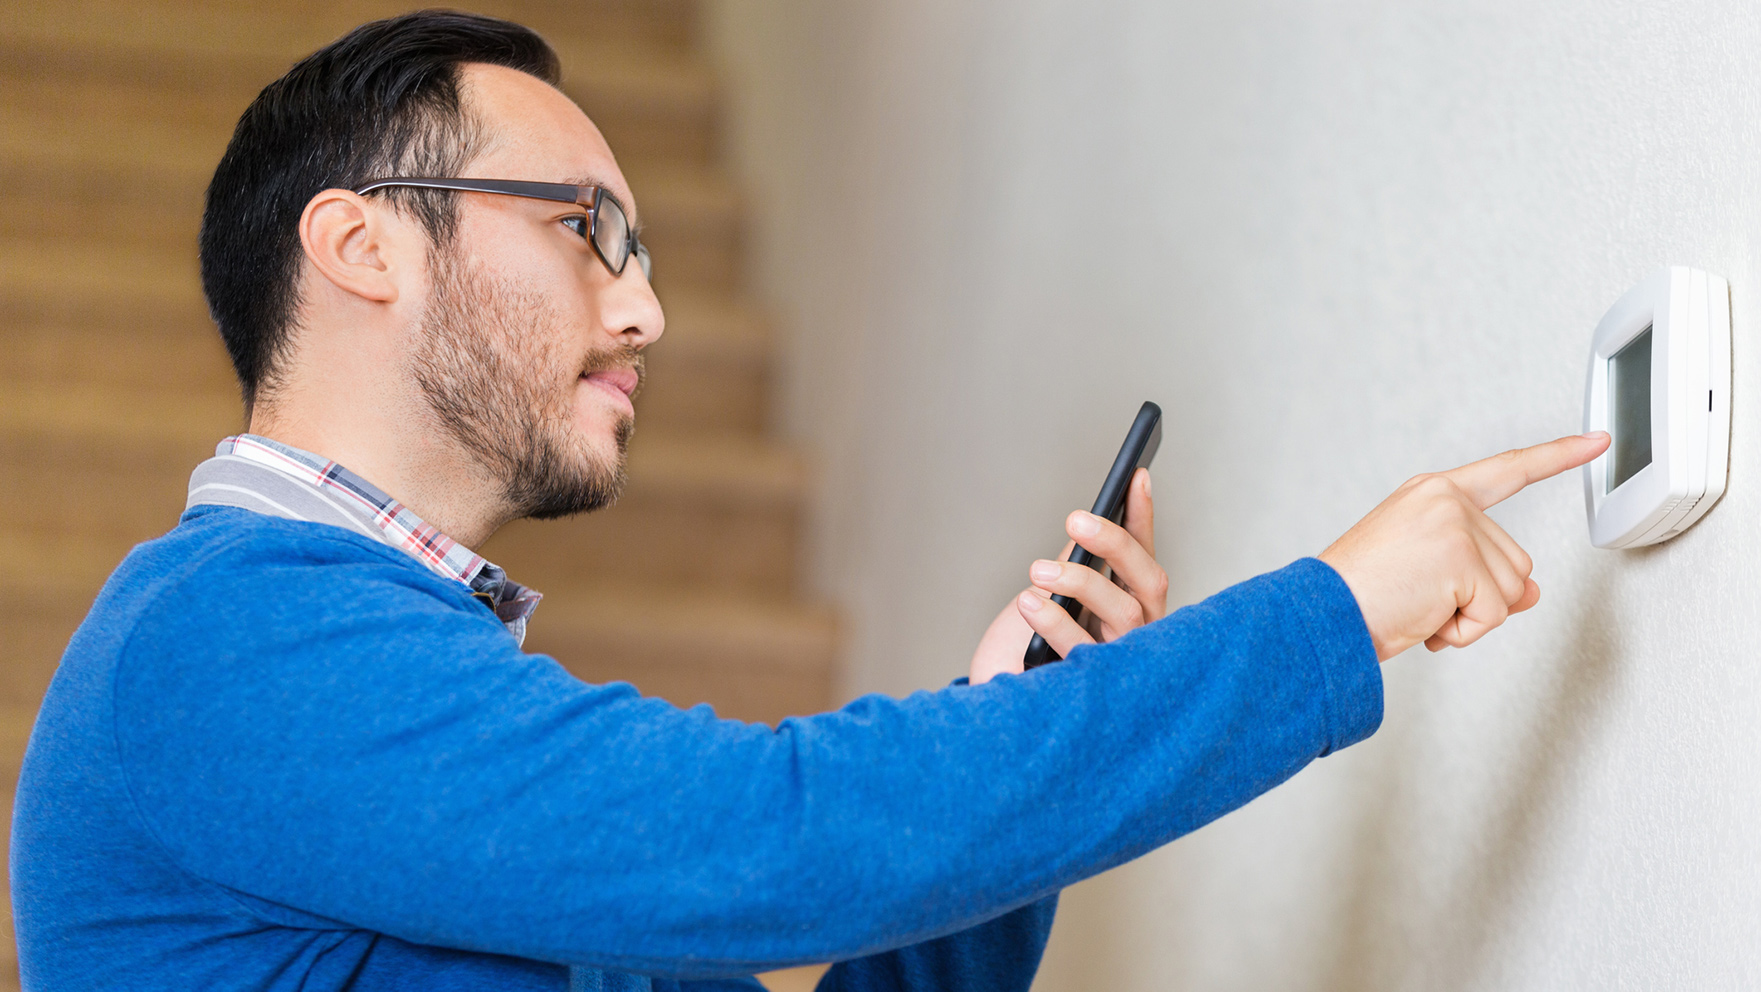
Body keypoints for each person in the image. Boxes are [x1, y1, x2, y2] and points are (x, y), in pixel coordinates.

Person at [9, 11, 1609, 991]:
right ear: (361, 245)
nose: (645, 310)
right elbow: (774, 846)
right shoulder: (220, 645)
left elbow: (779, 879)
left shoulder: (386, 682)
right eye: (583, 228)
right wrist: (1327, 617)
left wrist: (1006, 716)